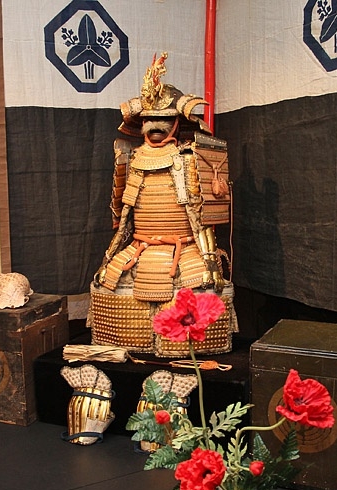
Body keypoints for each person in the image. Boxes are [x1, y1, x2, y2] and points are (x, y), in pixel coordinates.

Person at [90, 53, 236, 357]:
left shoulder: (193, 159)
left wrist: (210, 260)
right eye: (149, 119)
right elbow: (124, 217)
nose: (155, 125)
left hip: (187, 251)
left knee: (205, 289)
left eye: (164, 119)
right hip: (139, 249)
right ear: (140, 122)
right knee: (106, 283)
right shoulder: (129, 158)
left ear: (178, 122)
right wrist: (110, 256)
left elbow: (202, 219)